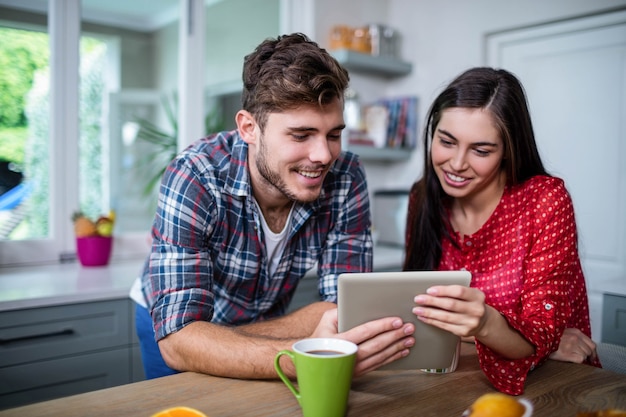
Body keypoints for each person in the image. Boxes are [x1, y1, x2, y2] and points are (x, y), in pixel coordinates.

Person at [130, 33, 415, 380]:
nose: (324, 156)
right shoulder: (196, 175)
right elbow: (179, 338)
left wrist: (236, 342)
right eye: (301, 135)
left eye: (333, 134)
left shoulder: (346, 175)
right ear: (249, 128)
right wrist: (306, 356)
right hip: (170, 321)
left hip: (265, 323)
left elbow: (347, 305)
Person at [403, 67, 600, 395]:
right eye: (446, 142)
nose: (456, 163)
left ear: (508, 148)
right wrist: (532, 340)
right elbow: (418, 312)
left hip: (553, 386)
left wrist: (530, 339)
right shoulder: (423, 197)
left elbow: (540, 332)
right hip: (457, 384)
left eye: (481, 151)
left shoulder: (544, 200)